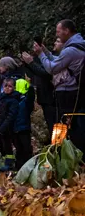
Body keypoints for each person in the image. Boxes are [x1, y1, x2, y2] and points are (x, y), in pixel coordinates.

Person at [35, 19, 85, 153]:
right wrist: (45, 51)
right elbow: (59, 61)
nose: (57, 35)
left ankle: (72, 155)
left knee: (68, 126)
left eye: (58, 32)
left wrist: (40, 54)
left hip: (69, 92)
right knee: (73, 124)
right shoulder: (78, 45)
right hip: (75, 91)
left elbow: (52, 68)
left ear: (66, 31)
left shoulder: (71, 50)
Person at [21, 43, 56, 137]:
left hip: (52, 99)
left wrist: (31, 63)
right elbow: (37, 72)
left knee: (56, 128)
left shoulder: (54, 60)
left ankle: (61, 148)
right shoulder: (44, 60)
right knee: (52, 127)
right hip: (45, 99)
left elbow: (45, 74)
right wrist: (27, 63)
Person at [0, 78, 20, 171]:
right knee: (1, 146)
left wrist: (3, 128)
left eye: (10, 86)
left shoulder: (14, 100)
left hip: (8, 128)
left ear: (14, 88)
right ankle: (7, 161)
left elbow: (11, 116)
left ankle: (9, 164)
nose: (7, 88)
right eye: (6, 86)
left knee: (8, 145)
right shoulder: (0, 97)